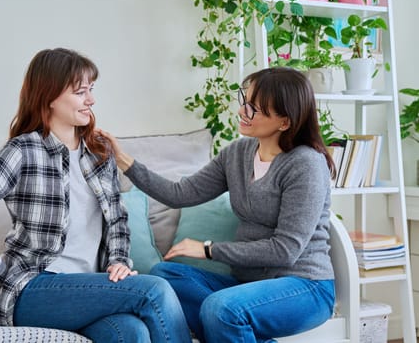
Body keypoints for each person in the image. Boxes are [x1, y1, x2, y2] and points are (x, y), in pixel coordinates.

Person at [0, 48, 192, 343]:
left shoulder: (99, 153)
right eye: (80, 91)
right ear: (49, 97)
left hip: (90, 285)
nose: (91, 100)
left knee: (131, 333)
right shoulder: (23, 151)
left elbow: (118, 219)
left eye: (91, 90)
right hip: (33, 288)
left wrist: (119, 261)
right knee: (154, 290)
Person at [98, 67, 336, 343]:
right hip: (247, 285)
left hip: (304, 286)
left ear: (284, 122)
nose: (241, 112)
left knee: (221, 309)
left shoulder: (306, 164)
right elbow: (179, 193)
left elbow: (285, 250)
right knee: (164, 277)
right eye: (243, 101)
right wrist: (124, 160)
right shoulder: (237, 153)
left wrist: (209, 250)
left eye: (253, 109)